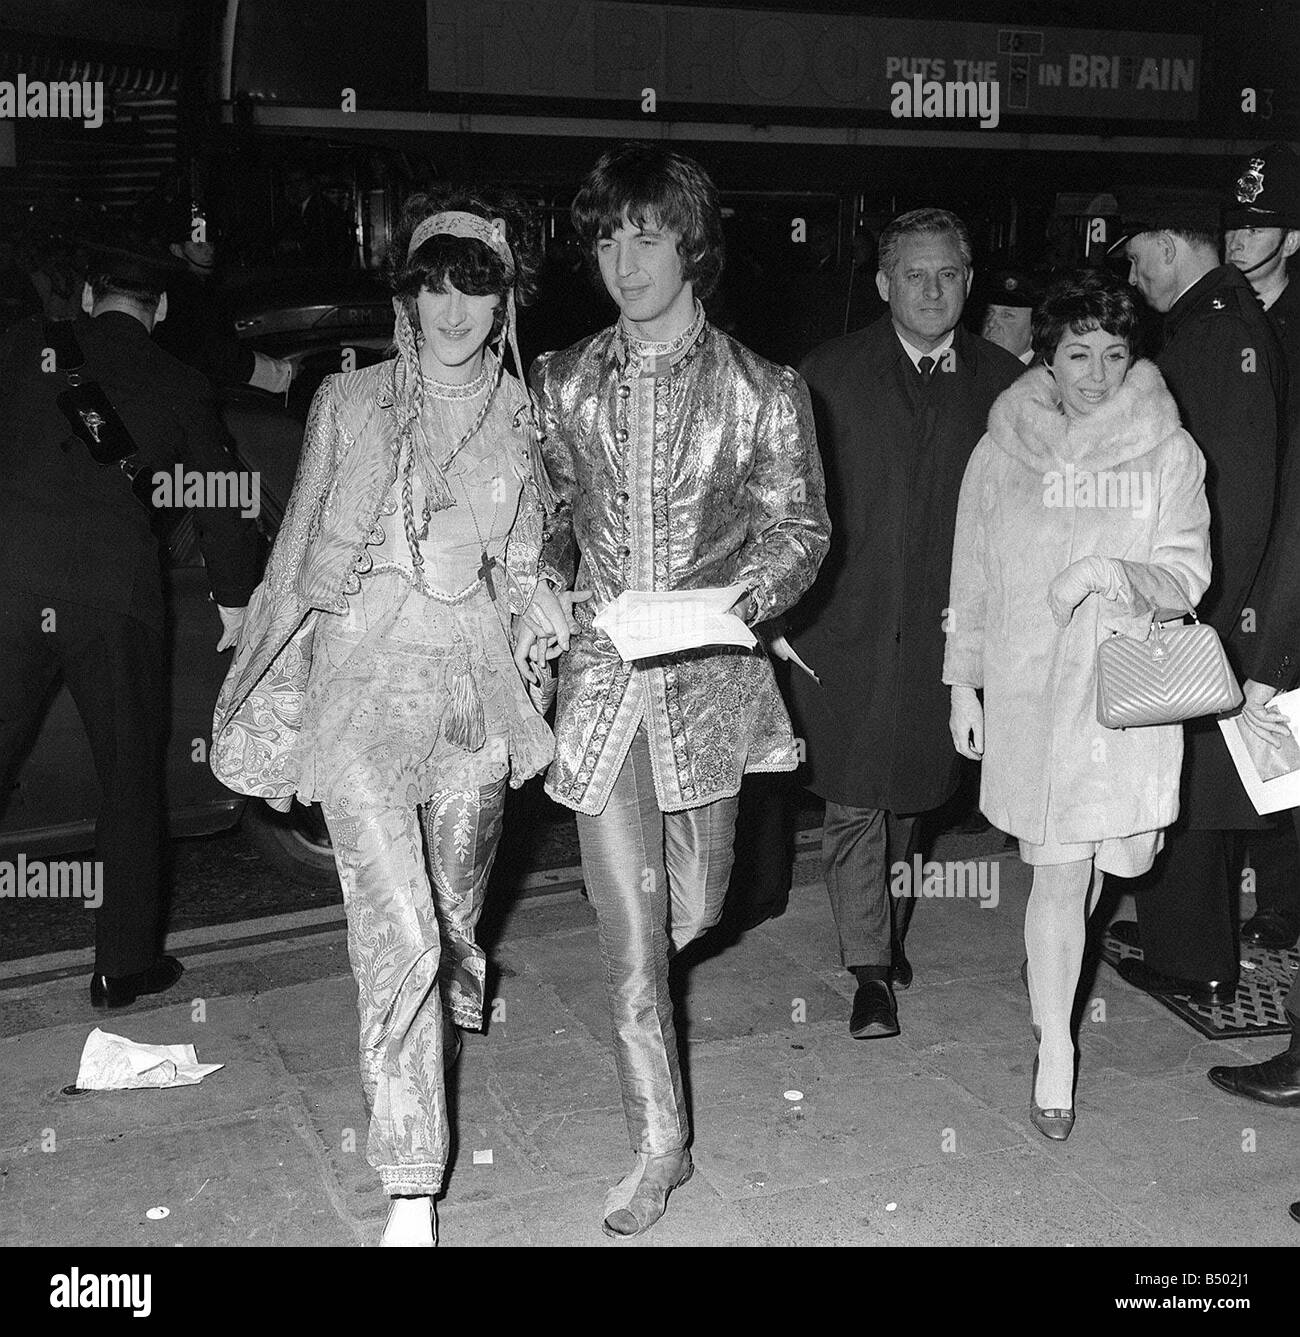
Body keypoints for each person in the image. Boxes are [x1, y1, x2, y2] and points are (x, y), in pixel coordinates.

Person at [210, 189, 579, 1247]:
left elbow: (536, 552)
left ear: (503, 300)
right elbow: (298, 550)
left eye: (477, 286)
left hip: (471, 696)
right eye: (434, 284)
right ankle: (410, 1179)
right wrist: (271, 669)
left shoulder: (527, 413)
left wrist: (542, 595)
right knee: (401, 931)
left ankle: (429, 1050)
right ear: (406, 295)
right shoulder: (350, 402)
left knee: (455, 926)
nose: (454, 308)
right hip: (361, 690)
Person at [523, 144, 829, 1239]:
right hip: (602, 688)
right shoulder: (560, 382)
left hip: (707, 683)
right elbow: (545, 518)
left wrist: (748, 595)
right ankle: (659, 1143)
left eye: (646, 235)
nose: (624, 259)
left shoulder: (763, 389)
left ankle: (660, 957)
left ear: (690, 243)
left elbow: (801, 528)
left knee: (698, 904)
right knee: (630, 934)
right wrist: (546, 584)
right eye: (607, 238)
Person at [945, 269, 1212, 1139]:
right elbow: (971, 574)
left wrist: (1108, 573)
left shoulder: (1169, 451)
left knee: (1099, 869)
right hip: (1027, 694)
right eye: (1077, 353)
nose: (1095, 374)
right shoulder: (1002, 448)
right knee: (1055, 868)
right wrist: (962, 680)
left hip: (1120, 699)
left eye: (1113, 353)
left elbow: (1188, 575)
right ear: (1046, 357)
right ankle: (1055, 1046)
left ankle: (1052, 973)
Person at [779, 208, 1022, 1041]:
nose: (930, 290)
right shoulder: (825, 374)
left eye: (947, 274)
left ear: (968, 281)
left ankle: (886, 925)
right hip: (844, 625)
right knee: (855, 796)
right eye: (912, 275)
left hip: (948, 632)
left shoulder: (1005, 383)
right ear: (883, 284)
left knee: (918, 792)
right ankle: (870, 970)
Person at [0, 228, 258, 1008]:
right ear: (165, 306)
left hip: (11, 587)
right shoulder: (178, 380)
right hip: (116, 599)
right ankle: (122, 967)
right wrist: (235, 601)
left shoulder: (18, 346)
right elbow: (222, 500)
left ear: (85, 295)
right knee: (129, 783)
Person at [1108, 189, 1287, 1006]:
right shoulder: (1218, 323)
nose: (1135, 272)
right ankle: (1191, 940)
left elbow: (1241, 494)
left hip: (1210, 603)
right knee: (1197, 782)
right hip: (1218, 599)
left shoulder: (1218, 333)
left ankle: (1193, 957)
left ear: (1171, 248)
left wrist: (1194, 609)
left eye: (1138, 253)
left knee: (1186, 780)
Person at [1225, 143, 1300, 952]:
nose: (1242, 239)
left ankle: (1282, 902)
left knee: (1283, 727)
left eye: (1261, 225)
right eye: (1234, 226)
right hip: (1249, 544)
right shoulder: (1227, 316)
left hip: (1292, 555)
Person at [154, 203, 294, 394]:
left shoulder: (196, 287)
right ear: (177, 250)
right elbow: (217, 354)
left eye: (210, 243)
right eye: (199, 245)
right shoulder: (185, 294)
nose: (209, 251)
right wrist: (280, 374)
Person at [979, 268, 1041, 364]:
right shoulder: (970, 370)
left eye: (1007, 315)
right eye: (989, 313)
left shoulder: (1050, 376)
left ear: (1035, 328)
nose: (991, 323)